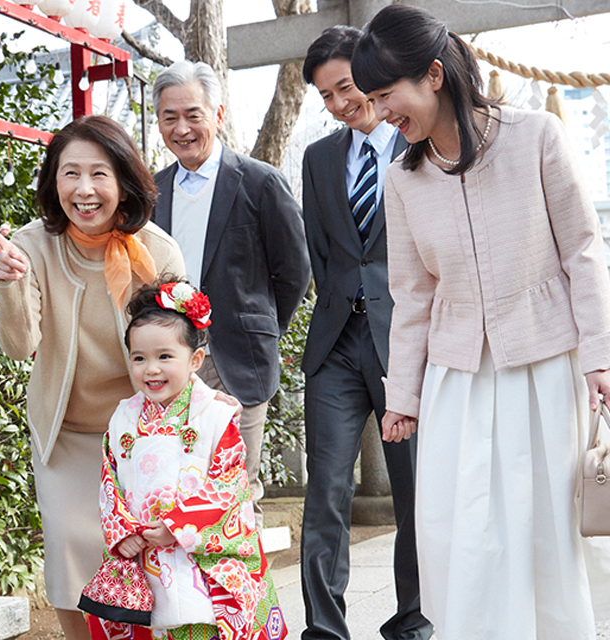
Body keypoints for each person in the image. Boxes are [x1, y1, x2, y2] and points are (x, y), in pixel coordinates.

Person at [350, 5, 610, 640]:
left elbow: (584, 250)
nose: (383, 113)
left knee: (543, 531)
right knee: (461, 534)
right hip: (456, 377)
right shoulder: (401, 178)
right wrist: (401, 397)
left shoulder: (536, 136)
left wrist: (600, 356)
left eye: (387, 96)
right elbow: (411, 297)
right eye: (375, 99)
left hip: (545, 366)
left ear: (434, 74)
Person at [0, 115, 187, 640]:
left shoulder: (156, 252)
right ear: (54, 183)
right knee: (72, 551)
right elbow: (19, 345)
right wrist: (9, 283)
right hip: (68, 434)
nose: (85, 189)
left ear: (123, 181)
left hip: (140, 439)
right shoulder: (29, 246)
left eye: (99, 173)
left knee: (143, 556)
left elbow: (181, 348)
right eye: (70, 173)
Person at [300, 26, 432, 640]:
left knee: (413, 494)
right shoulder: (319, 158)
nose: (339, 104)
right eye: (326, 96)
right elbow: (320, 254)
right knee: (324, 492)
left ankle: (412, 621)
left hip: (404, 341)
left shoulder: (421, 148)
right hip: (334, 345)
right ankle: (325, 629)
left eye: (345, 87)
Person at [151, 60, 311, 530]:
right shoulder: (153, 191)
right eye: (169, 117)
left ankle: (248, 603)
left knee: (237, 491)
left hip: (238, 361)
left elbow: (294, 271)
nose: (182, 129)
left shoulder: (260, 182)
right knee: (176, 492)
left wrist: (260, 328)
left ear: (217, 114)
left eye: (193, 115)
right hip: (172, 358)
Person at [82, 276, 287, 640]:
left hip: (198, 552)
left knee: (201, 624)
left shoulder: (215, 415)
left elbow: (228, 485)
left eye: (165, 356)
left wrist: (178, 527)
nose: (152, 369)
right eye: (139, 358)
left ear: (195, 359)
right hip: (143, 549)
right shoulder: (123, 418)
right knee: (149, 624)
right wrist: (123, 533)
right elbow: (109, 481)